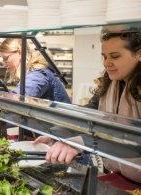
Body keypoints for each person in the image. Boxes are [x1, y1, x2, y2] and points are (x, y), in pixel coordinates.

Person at [35, 29, 141, 184]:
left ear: (138, 54)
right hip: (124, 176)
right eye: (104, 57)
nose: (106, 63)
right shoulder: (111, 82)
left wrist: (81, 143)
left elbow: (135, 140)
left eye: (115, 56)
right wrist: (57, 135)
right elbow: (88, 113)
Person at [0, 38, 70, 103]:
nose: (4, 64)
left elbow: (18, 100)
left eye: (6, 58)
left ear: (20, 53)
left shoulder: (38, 74)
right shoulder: (33, 71)